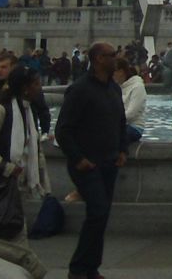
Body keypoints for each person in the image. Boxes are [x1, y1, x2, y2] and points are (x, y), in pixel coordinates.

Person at [55, 42, 128, 279]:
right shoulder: (79, 89)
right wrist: (78, 159)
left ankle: (91, 267)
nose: (115, 59)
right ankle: (77, 269)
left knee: (102, 214)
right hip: (87, 164)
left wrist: (122, 150)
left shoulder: (114, 89)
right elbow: (63, 129)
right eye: (110, 56)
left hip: (109, 161)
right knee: (97, 211)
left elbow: (120, 123)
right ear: (98, 59)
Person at [0, 65, 50, 279]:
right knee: (16, 245)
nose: (40, 87)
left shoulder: (27, 111)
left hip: (16, 188)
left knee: (11, 242)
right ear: (25, 88)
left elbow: (32, 150)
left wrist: (43, 182)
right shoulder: (3, 111)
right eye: (36, 83)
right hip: (2, 187)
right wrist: (6, 167)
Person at [114, 57, 147, 144]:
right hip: (119, 125)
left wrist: (112, 120)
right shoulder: (117, 86)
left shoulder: (137, 87)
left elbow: (131, 113)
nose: (111, 75)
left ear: (121, 72)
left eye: (113, 72)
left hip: (134, 127)